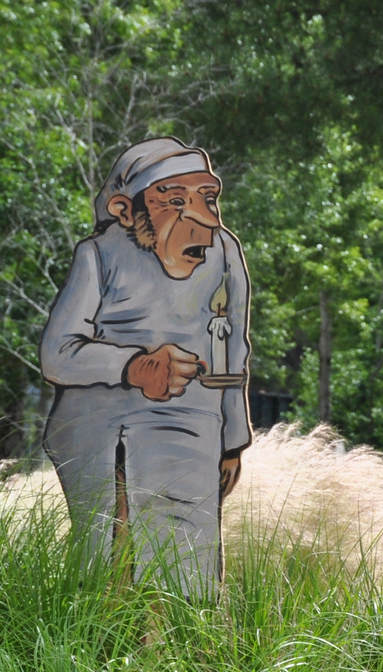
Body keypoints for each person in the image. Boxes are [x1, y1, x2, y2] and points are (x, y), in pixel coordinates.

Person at [39, 137, 251, 595]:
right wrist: (132, 366)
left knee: (188, 564)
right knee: (110, 557)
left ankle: (181, 655)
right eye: (176, 201)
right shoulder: (99, 254)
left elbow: (234, 347)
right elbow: (57, 353)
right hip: (101, 424)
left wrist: (232, 440)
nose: (204, 220)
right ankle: (101, 654)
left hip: (193, 421)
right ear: (124, 208)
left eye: (208, 199)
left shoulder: (225, 252)